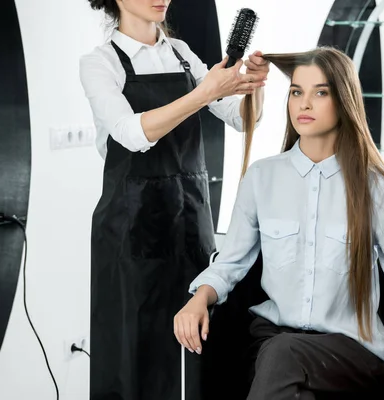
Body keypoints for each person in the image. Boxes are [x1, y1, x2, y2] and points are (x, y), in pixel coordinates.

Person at [174, 47, 384, 399]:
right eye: (297, 92)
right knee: (284, 364)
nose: (304, 104)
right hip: (270, 341)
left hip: (349, 352)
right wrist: (198, 298)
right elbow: (230, 262)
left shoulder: (373, 186)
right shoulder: (261, 178)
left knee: (283, 356)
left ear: (343, 100)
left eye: (320, 92)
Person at [79, 1, 270, 399]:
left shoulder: (181, 53)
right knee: (133, 353)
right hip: (131, 231)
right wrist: (203, 93)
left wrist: (254, 86)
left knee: (200, 342)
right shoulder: (100, 63)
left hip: (189, 220)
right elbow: (132, 134)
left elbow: (239, 118)